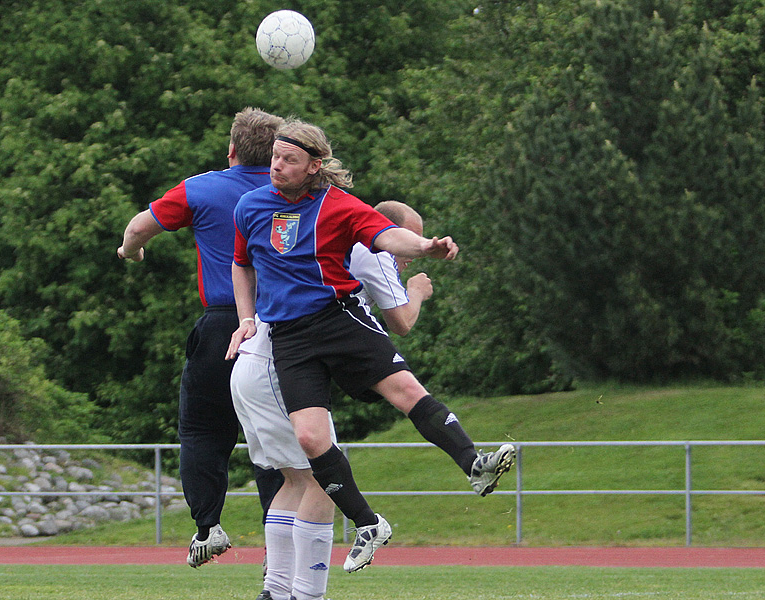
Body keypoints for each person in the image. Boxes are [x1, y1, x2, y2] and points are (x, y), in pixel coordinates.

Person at [226, 119, 516, 574]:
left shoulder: (338, 205)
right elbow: (241, 265)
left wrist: (425, 246)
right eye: (276, 156)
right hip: (289, 338)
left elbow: (386, 236)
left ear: (314, 166)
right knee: (309, 438)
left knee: (404, 391)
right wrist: (246, 319)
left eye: (289, 160)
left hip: (337, 319)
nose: (277, 166)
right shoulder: (251, 205)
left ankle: (474, 463)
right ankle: (367, 524)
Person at [231, 201, 433, 600]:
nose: (407, 257)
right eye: (407, 244)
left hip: (252, 365)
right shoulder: (370, 253)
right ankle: (306, 594)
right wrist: (417, 293)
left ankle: (275, 591)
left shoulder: (326, 239)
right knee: (324, 477)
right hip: (275, 366)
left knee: (295, 478)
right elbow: (402, 322)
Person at [117, 107, 286, 568]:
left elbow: (137, 228)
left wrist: (131, 251)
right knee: (272, 438)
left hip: (221, 325)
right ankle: (281, 542)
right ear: (277, 154)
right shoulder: (295, 192)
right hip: (282, 326)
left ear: (231, 149)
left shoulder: (202, 187)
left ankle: (208, 527)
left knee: (200, 430)